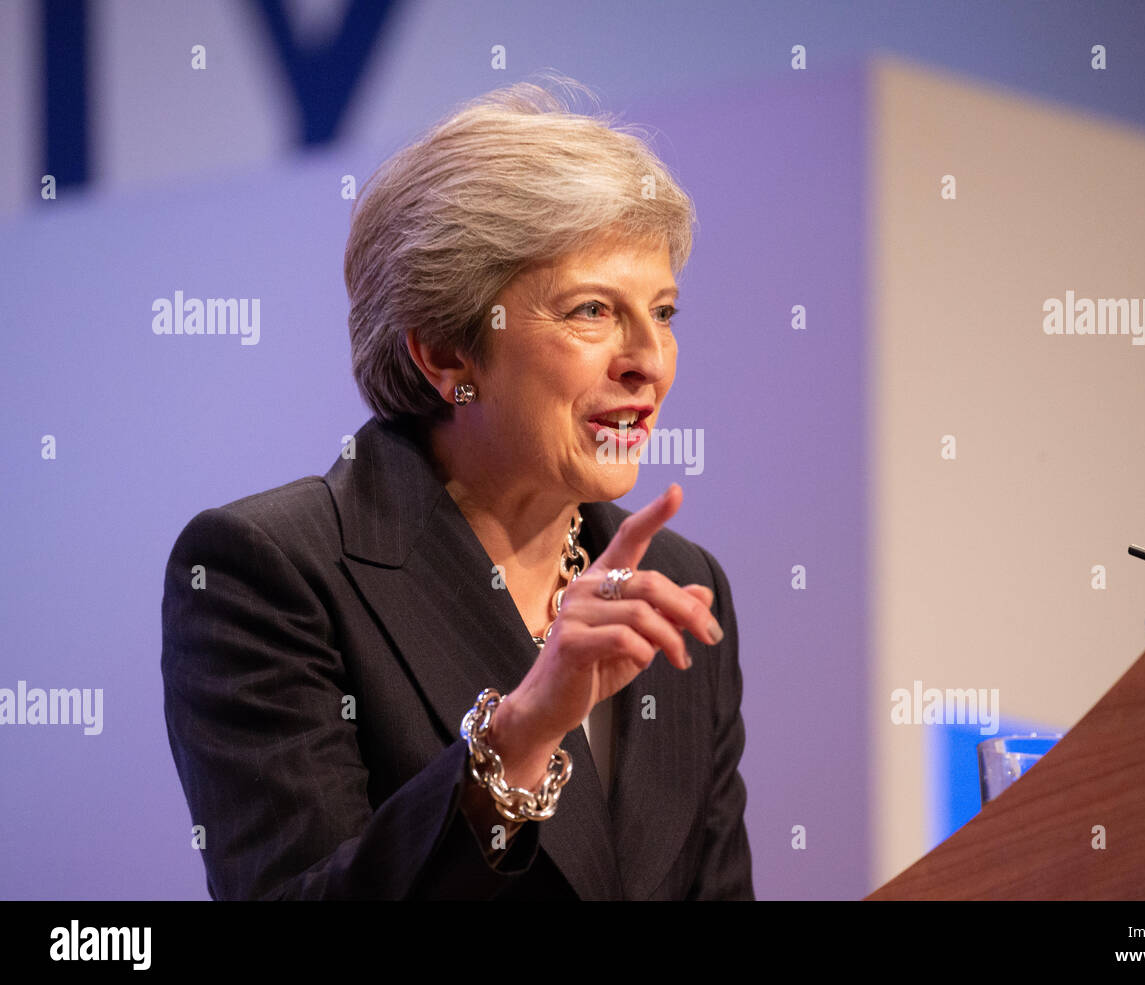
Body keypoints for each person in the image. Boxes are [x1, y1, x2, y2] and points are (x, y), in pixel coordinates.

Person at [160, 75, 754, 899]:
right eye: (591, 311)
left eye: (663, 312)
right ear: (445, 355)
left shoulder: (682, 586)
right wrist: (517, 740)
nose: (647, 360)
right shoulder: (271, 570)